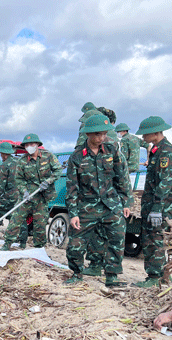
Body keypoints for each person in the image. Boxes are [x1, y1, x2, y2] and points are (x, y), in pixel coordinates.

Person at [64, 115, 132, 287]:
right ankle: (77, 273)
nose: (101, 138)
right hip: (87, 206)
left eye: (104, 134)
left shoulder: (112, 150)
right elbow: (72, 188)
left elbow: (122, 177)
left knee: (117, 239)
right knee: (75, 244)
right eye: (97, 135)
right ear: (88, 134)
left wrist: (126, 202)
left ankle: (112, 276)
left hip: (111, 204)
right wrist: (73, 214)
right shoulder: (77, 157)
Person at [133, 116, 172, 287]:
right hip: (151, 204)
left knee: (154, 240)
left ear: (155, 132)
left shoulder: (166, 151)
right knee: (151, 239)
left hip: (159, 205)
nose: (143, 137)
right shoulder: (156, 150)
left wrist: (158, 206)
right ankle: (162, 275)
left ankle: (155, 277)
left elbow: (165, 181)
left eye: (145, 134)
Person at [1, 134, 61, 250]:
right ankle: (7, 244)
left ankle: (39, 248)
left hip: (42, 197)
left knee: (40, 224)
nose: (29, 147)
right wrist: (24, 192)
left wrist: (48, 181)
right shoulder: (22, 161)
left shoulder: (48, 156)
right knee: (16, 219)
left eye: (32, 144)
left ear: (38, 145)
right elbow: (19, 179)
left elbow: (58, 170)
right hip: (27, 196)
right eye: (27, 145)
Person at [0, 142, 27, 246]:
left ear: (4, 154)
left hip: (8, 196)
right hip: (20, 194)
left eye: (1, 154)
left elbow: (0, 186)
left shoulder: (4, 165)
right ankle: (23, 242)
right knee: (19, 217)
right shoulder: (19, 161)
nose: (1, 156)